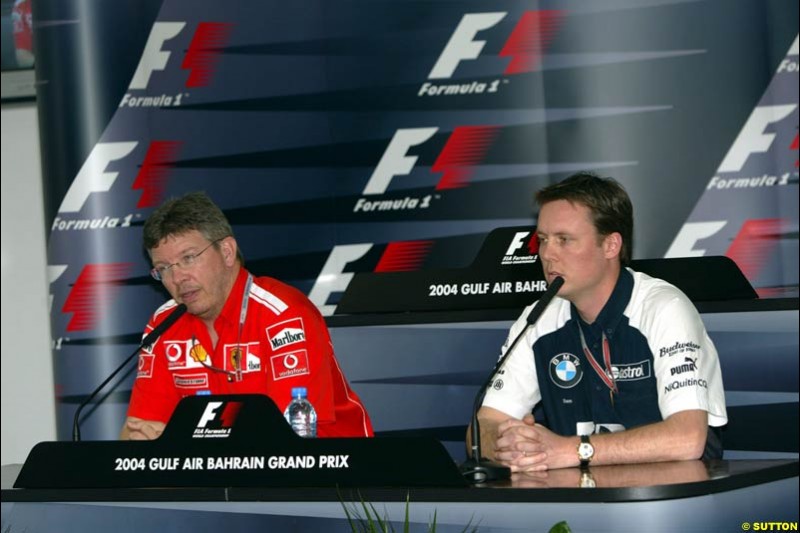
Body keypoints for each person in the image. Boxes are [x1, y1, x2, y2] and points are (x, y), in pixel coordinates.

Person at [470, 172, 727, 471]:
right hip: (580, 500)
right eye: (543, 240)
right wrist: (509, 445)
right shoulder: (537, 319)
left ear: (611, 246)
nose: (547, 254)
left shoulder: (664, 308)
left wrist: (571, 450)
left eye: (564, 240)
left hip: (670, 501)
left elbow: (688, 439)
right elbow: (483, 426)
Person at [121, 192, 374, 439]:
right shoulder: (163, 325)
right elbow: (137, 432)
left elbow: (287, 439)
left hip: (328, 474)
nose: (177, 278)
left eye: (188, 258)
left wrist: (182, 445)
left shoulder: (283, 315)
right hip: (219, 475)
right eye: (163, 269)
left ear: (227, 251)